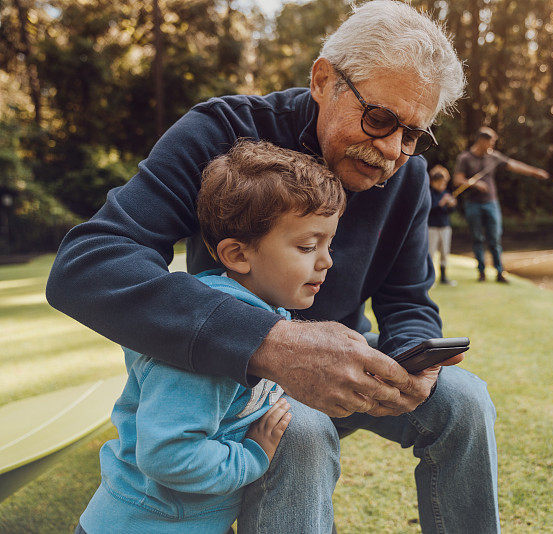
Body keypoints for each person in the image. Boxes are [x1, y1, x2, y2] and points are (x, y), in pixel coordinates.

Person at [47, 2, 499, 532]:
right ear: (324, 79)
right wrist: (270, 344)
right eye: (379, 119)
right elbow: (88, 264)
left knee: (466, 399)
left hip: (348, 366)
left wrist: (417, 358)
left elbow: (407, 300)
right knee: (299, 428)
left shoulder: (408, 175)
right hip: (239, 379)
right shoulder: (221, 131)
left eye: (413, 135)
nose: (391, 151)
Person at [75, 141, 346, 534]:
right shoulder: (212, 348)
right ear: (237, 255)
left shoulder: (262, 314)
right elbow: (166, 454)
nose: (326, 260)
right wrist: (253, 456)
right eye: (307, 246)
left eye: (328, 244)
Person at [453, 126, 550, 283]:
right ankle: (482, 272)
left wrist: (535, 172)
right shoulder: (465, 158)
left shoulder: (494, 157)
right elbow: (457, 179)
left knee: (494, 238)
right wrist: (475, 184)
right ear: (482, 141)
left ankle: (499, 272)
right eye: (491, 142)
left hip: (491, 203)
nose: (492, 145)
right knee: (477, 238)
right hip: (473, 204)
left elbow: (514, 165)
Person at [427, 164, 457, 286]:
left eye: (443, 183)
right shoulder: (429, 193)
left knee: (445, 252)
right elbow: (430, 208)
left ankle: (444, 277)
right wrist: (441, 203)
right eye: (439, 183)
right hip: (432, 227)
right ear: (433, 182)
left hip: (445, 226)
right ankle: (429, 278)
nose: (442, 185)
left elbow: (450, 211)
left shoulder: (446, 193)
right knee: (430, 252)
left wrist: (452, 205)